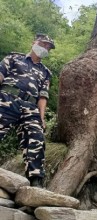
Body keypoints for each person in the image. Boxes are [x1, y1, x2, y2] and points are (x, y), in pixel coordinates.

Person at [0, 33, 55, 187]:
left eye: (48, 47)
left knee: (36, 138)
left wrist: (42, 118)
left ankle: (35, 181)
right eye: (43, 44)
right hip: (6, 98)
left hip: (31, 107)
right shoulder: (14, 58)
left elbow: (43, 97)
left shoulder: (46, 72)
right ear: (34, 42)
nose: (45, 48)